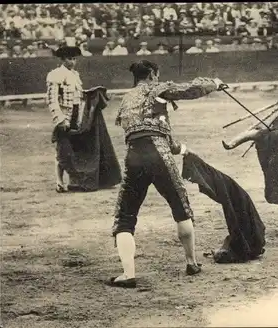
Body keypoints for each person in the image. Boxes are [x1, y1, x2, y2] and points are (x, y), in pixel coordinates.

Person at [107, 59, 227, 288]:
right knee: (180, 205)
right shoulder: (157, 89)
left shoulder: (126, 98)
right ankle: (191, 262)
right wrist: (215, 83)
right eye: (157, 75)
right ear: (152, 74)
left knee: (125, 216)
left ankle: (128, 274)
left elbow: (146, 131)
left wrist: (182, 149)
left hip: (134, 157)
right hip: (159, 155)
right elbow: (190, 89)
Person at [46, 41, 83, 193]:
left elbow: (79, 98)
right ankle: (59, 181)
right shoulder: (55, 74)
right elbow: (52, 99)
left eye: (74, 59)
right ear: (62, 60)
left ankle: (73, 180)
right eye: (69, 59)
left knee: (74, 148)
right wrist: (59, 119)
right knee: (62, 150)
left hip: (75, 114)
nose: (72, 62)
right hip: (64, 115)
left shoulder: (75, 75)